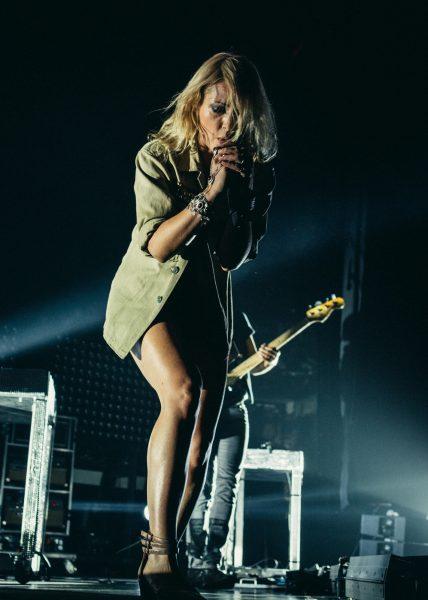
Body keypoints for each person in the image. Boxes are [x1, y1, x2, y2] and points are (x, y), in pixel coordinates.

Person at [103, 52, 277, 599]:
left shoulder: (255, 170)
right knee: (179, 394)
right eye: (219, 109)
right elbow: (155, 245)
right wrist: (209, 196)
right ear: (197, 103)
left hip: (207, 306)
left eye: (239, 116)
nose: (228, 125)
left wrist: (241, 201)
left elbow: (230, 258)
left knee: (200, 450)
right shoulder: (159, 156)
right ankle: (157, 556)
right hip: (151, 300)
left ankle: (165, 557)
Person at [186, 311, 280, 589]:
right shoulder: (191, 310)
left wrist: (268, 361)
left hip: (234, 408)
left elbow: (255, 365)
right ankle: (194, 561)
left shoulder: (236, 314)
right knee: (197, 479)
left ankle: (211, 560)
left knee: (228, 481)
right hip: (201, 406)